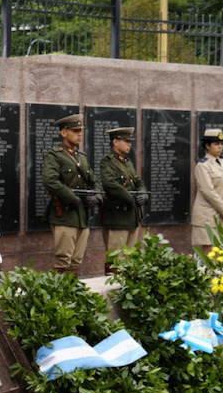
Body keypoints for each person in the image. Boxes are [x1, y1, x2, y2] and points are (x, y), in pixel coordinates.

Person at [43, 114, 98, 275]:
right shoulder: (55, 155)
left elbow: (95, 181)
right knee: (63, 260)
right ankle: (59, 296)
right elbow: (49, 180)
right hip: (64, 214)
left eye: (80, 130)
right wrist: (70, 197)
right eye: (75, 131)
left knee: (76, 260)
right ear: (64, 133)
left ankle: (71, 294)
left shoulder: (82, 158)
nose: (79, 134)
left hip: (82, 215)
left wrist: (96, 197)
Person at [100, 126, 147, 271]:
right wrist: (130, 198)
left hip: (132, 217)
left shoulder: (127, 162)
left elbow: (139, 182)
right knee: (116, 258)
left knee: (130, 258)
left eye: (130, 141)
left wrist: (143, 194)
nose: (129, 144)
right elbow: (110, 184)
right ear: (115, 142)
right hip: (117, 217)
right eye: (126, 141)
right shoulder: (107, 162)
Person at [191, 128, 223, 250]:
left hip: (220, 216)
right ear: (207, 146)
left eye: (221, 144)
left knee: (221, 254)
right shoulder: (202, 165)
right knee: (210, 253)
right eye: (216, 144)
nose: (220, 147)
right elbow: (208, 192)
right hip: (207, 215)